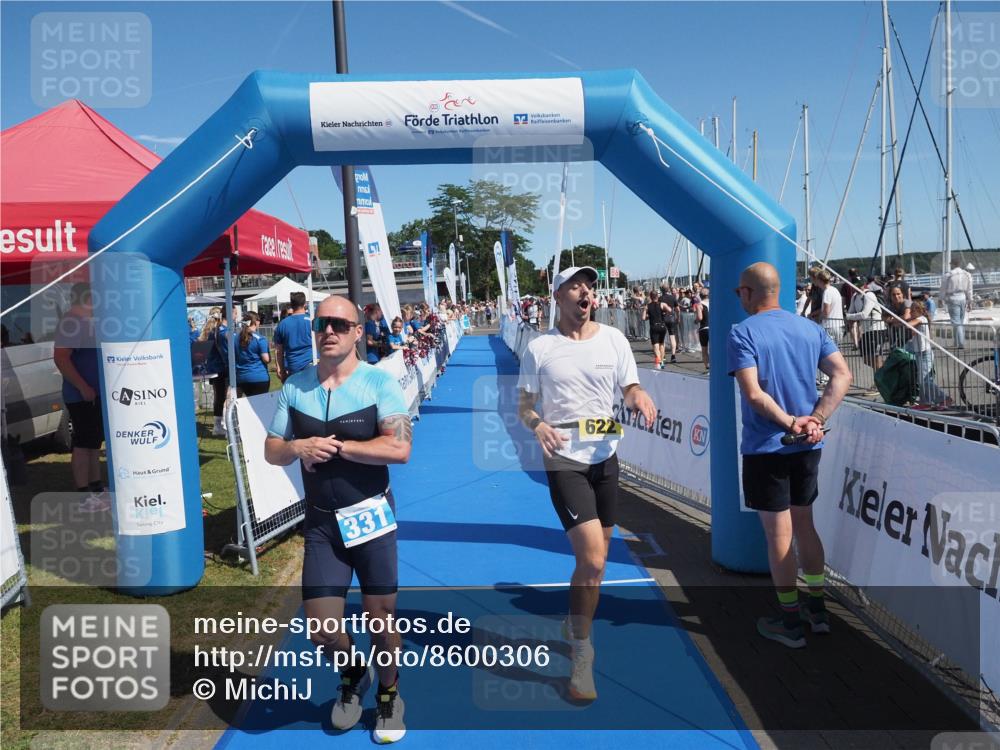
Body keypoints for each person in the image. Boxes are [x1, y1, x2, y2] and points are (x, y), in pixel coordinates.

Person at [264, 295, 412, 743]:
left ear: (357, 332)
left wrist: (342, 448)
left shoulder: (378, 384)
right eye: (321, 323)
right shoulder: (295, 386)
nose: (329, 331)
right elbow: (271, 448)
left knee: (380, 619)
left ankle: (390, 694)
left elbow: (400, 448)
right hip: (323, 524)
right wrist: (296, 448)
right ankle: (354, 674)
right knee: (322, 627)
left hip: (370, 518)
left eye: (340, 325)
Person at [517, 266, 656, 700]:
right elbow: (523, 405)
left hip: (605, 457)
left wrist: (639, 396)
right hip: (565, 460)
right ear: (557, 295)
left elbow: (629, 386)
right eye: (576, 285)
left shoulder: (613, 339)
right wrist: (537, 424)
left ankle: (575, 618)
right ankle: (582, 654)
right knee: (593, 561)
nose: (586, 291)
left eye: (590, 285)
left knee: (594, 568)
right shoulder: (540, 347)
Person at [728, 262, 852, 648]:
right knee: (805, 526)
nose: (738, 298)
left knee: (778, 535)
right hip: (807, 445)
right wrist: (814, 419)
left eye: (738, 292)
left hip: (770, 447)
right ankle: (817, 610)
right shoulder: (810, 328)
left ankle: (790, 621)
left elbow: (753, 394)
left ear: (748, 292)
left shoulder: (741, 332)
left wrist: (789, 423)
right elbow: (843, 375)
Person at [53, 282, 109, 512]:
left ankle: (95, 488)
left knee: (93, 442)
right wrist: (83, 386)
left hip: (92, 394)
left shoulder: (85, 323)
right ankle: (84, 496)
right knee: (83, 443)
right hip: (81, 395)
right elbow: (61, 358)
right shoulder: (71, 322)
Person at [906, 301, 950, 409]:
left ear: (919, 311)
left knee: (924, 380)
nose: (911, 312)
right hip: (919, 353)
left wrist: (906, 316)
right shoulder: (918, 321)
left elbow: (908, 325)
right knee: (922, 380)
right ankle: (925, 402)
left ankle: (944, 398)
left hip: (925, 353)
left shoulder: (921, 319)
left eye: (913, 310)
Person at [274, 291, 314, 382]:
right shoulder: (312, 321)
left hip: (293, 367)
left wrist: (280, 369)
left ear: (291, 305)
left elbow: (278, 351)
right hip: (313, 364)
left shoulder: (282, 324)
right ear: (305, 304)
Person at [235, 312, 271, 397]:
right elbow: (266, 359)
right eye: (259, 320)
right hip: (258, 377)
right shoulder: (260, 338)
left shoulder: (235, 338)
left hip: (241, 378)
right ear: (255, 322)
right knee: (260, 408)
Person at [940, 259, 973, 349]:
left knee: (955, 322)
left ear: (952, 264)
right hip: (963, 298)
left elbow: (943, 289)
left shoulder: (948, 275)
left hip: (952, 298)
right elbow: (969, 289)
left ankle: (961, 343)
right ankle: (956, 342)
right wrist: (970, 301)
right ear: (960, 264)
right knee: (959, 322)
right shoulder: (967, 274)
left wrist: (941, 299)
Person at [642, 289, 669, 369]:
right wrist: (664, 313)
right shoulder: (662, 304)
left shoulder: (647, 306)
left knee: (656, 346)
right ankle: (662, 362)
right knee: (662, 344)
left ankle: (659, 361)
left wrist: (646, 313)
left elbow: (643, 318)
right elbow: (670, 310)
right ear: (657, 296)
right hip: (662, 326)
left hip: (654, 327)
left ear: (650, 297)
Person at [659, 283, 679, 364]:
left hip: (663, 318)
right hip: (671, 318)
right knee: (672, 337)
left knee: (662, 339)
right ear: (668, 289)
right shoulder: (672, 297)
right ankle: (673, 355)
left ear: (661, 290)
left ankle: (663, 356)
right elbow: (678, 309)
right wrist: (678, 317)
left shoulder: (660, 298)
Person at [696, 288, 710, 372]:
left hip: (704, 328)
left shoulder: (699, 305)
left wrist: (695, 320)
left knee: (704, 349)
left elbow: (700, 317)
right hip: (713, 328)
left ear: (700, 296)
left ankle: (708, 368)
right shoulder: (713, 303)